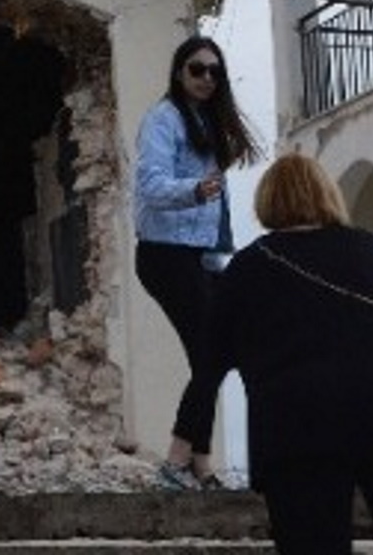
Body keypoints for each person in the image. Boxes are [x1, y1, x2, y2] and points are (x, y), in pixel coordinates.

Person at [206, 153, 373, 554]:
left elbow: (215, 351)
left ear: (267, 200)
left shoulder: (249, 266)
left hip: (301, 418)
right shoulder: (367, 249)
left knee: (312, 539)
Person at [132, 35, 257, 490]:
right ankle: (177, 462)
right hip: (165, 254)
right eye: (197, 69)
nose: (206, 78)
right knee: (211, 353)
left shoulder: (207, 121)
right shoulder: (164, 119)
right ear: (179, 72)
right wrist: (192, 191)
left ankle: (199, 465)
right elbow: (149, 185)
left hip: (201, 255)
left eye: (214, 71)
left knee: (216, 354)